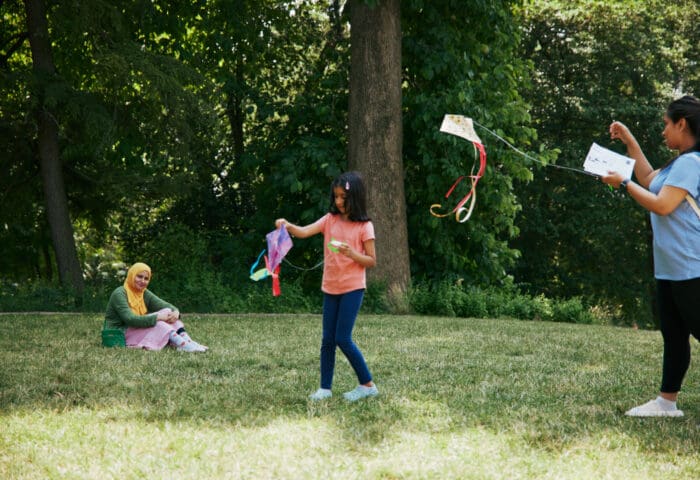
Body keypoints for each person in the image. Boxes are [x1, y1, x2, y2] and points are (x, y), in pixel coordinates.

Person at [602, 95, 700, 417]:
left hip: (691, 266)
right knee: (674, 337)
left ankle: (666, 402)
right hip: (671, 268)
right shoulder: (679, 162)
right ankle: (666, 403)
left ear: (682, 124)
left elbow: (662, 205)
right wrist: (629, 141)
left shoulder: (691, 163)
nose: (663, 132)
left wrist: (623, 184)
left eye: (666, 124)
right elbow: (649, 181)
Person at [275, 171, 379, 402]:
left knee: (343, 338)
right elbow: (303, 232)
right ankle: (325, 388)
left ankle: (368, 384)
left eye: (343, 197)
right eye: (337, 197)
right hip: (330, 287)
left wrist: (352, 253)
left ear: (355, 197)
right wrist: (287, 225)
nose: (339, 202)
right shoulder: (329, 220)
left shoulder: (365, 226)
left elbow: (372, 260)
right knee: (327, 340)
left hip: (352, 288)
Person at [102, 262, 208, 353]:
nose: (143, 281)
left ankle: (187, 341)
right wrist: (158, 317)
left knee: (167, 311)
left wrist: (176, 311)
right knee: (159, 322)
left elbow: (165, 305)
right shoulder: (119, 293)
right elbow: (130, 319)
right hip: (120, 332)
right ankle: (183, 344)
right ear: (131, 275)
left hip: (134, 328)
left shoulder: (143, 292)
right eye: (139, 276)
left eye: (146, 278)